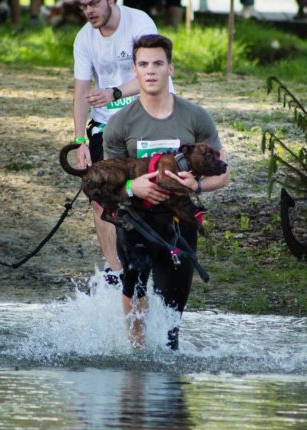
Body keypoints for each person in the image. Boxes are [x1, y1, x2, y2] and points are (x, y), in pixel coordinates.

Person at [103, 34, 229, 350]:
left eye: (158, 63)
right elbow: (107, 182)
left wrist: (196, 185)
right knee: (136, 283)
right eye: (143, 64)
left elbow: (224, 173)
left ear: (170, 68)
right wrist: (133, 186)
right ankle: (135, 358)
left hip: (179, 221)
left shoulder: (195, 117)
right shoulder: (119, 124)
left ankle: (168, 363)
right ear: (134, 70)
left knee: (174, 306)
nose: (150, 71)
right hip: (135, 220)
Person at [72, 0, 169, 281]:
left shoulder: (139, 23)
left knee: (151, 191)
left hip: (147, 117)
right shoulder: (83, 38)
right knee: (99, 193)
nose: (89, 10)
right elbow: (80, 92)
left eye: (94, 3)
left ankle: (159, 261)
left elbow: (153, 74)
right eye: (83, 6)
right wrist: (80, 140)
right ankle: (115, 272)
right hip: (106, 125)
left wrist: (115, 93)